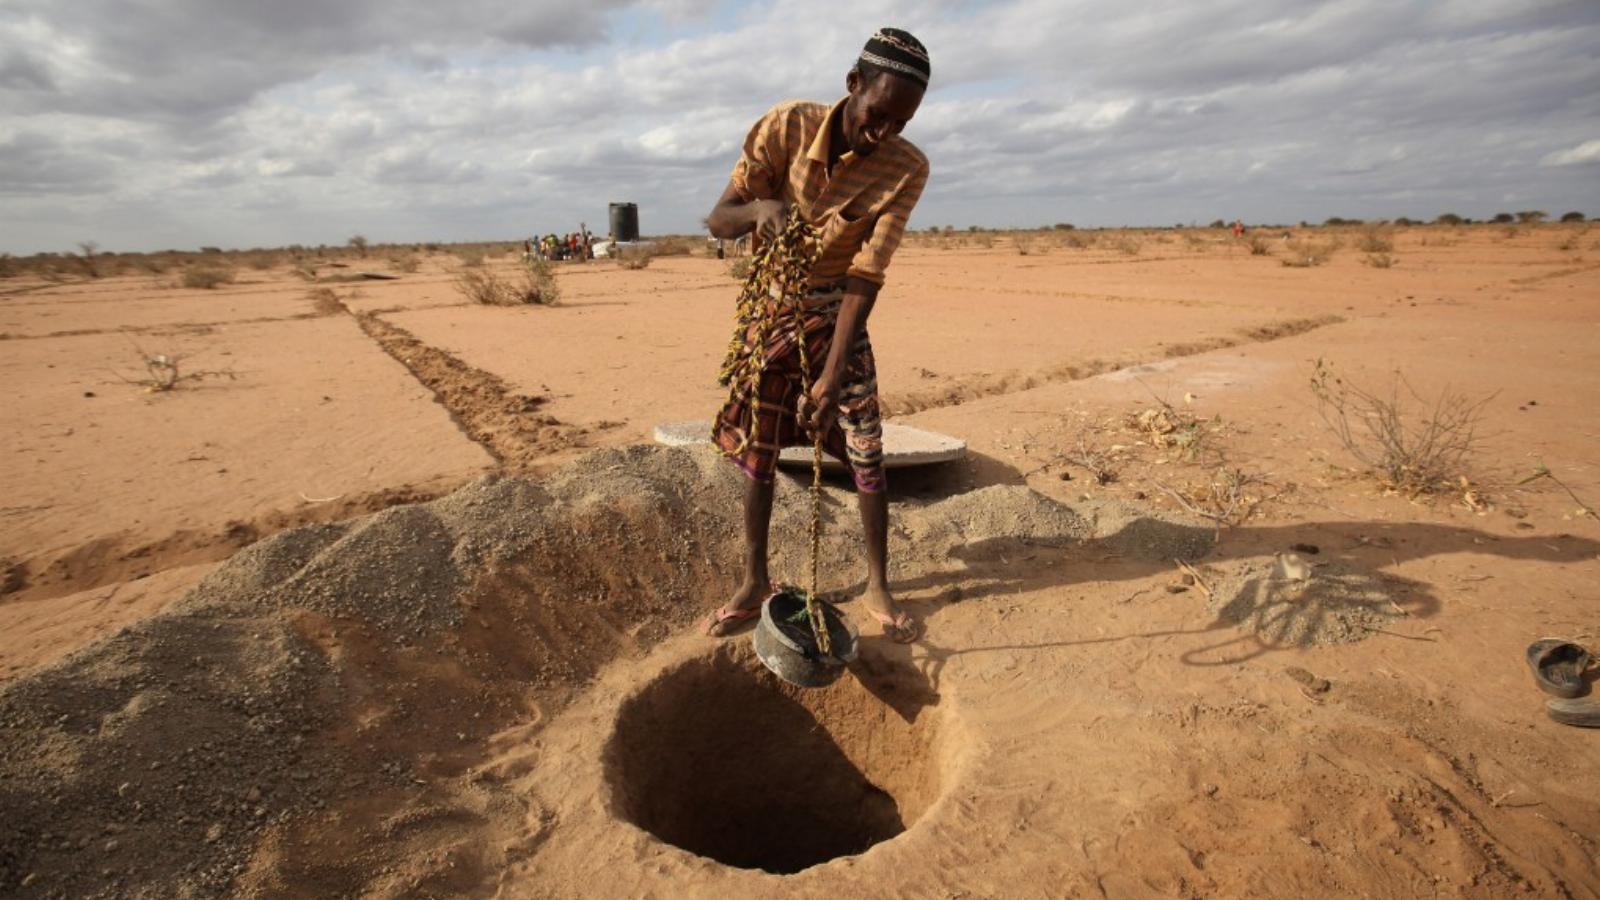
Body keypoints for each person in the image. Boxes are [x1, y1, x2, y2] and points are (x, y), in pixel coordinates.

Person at [703, 27, 931, 643]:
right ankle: (754, 582)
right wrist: (759, 211)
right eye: (878, 114)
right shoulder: (785, 128)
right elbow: (719, 219)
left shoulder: (907, 168)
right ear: (853, 85)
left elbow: (867, 273)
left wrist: (832, 372)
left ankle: (879, 583)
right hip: (773, 306)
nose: (883, 133)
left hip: (840, 311)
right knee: (761, 446)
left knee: (864, 441)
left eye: (901, 123)